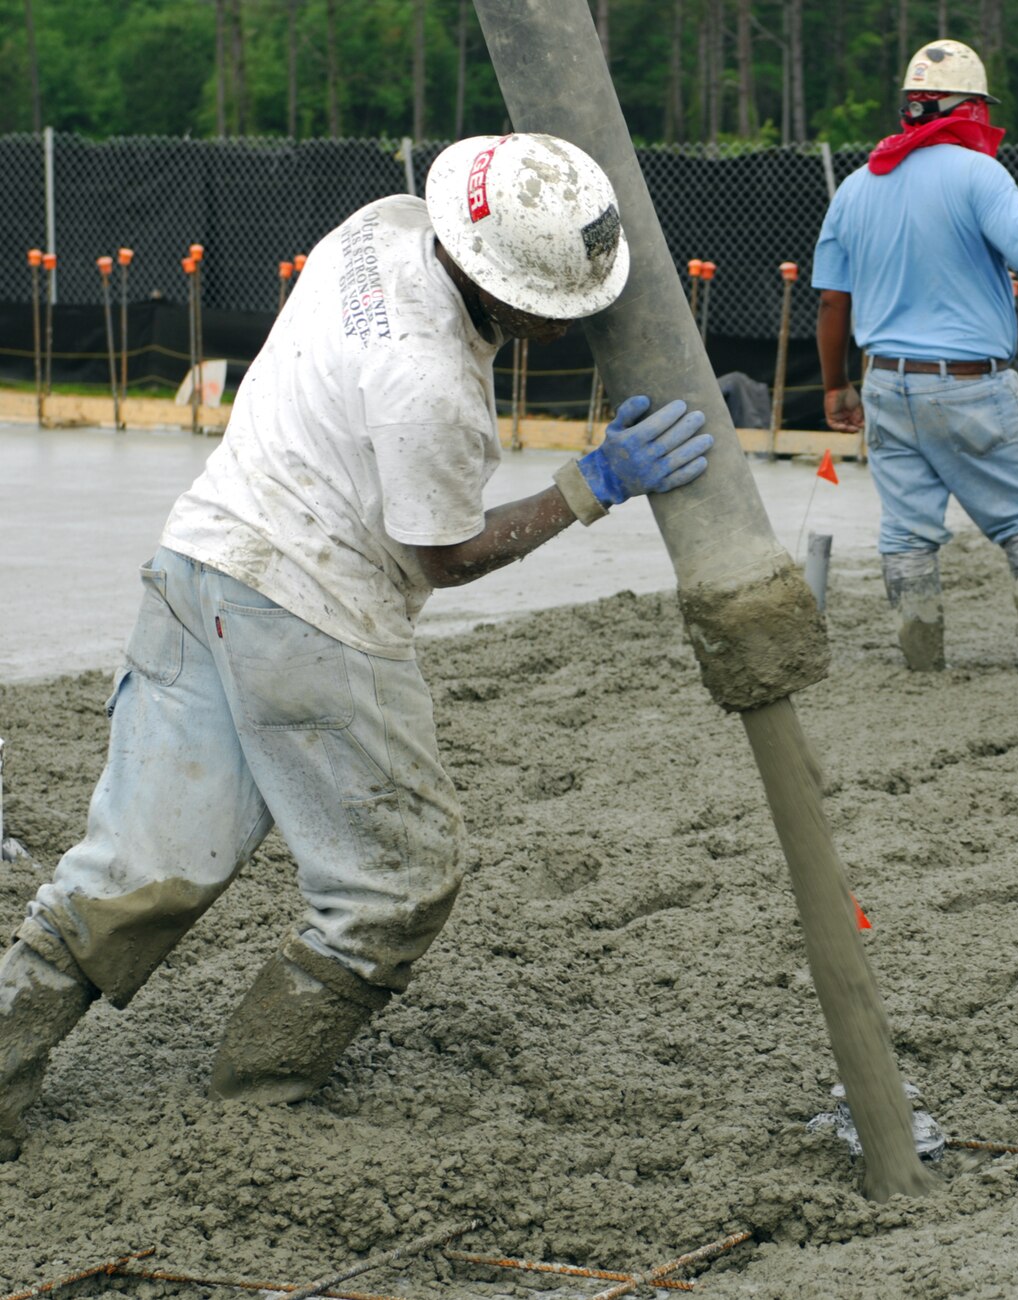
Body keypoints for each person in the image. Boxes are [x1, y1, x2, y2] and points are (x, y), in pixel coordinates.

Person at [0, 133, 715, 1160]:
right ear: (506, 293)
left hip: (198, 562)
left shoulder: (380, 225)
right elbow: (443, 556)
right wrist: (587, 486)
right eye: (556, 308)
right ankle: (259, 1095)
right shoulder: (435, 390)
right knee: (399, 879)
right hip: (312, 611)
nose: (568, 325)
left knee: (141, 861)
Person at [813, 38, 1018, 673]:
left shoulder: (858, 187)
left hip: (887, 387)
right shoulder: (979, 174)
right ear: (969, 108)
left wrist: (838, 387)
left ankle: (922, 665)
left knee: (906, 534)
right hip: (971, 388)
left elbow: (833, 304)